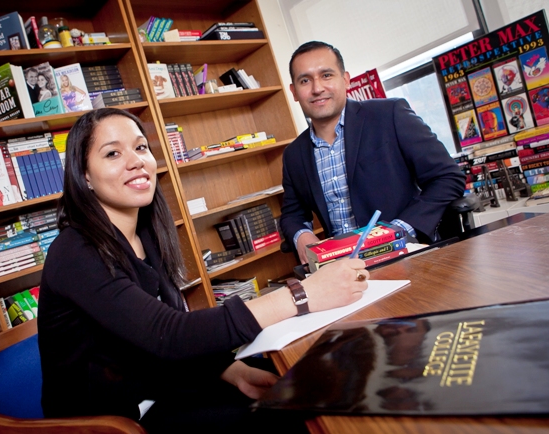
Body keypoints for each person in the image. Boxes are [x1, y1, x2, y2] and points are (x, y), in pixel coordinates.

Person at [37, 108, 370, 433]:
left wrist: (232, 370)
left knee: (301, 380)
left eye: (141, 147)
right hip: (111, 422)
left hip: (159, 386)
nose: (136, 160)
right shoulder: (75, 250)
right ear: (84, 175)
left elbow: (160, 331)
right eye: (113, 153)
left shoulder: (145, 233)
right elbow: (169, 334)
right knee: (291, 418)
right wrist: (302, 294)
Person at [280, 41, 466, 264]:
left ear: (345, 79)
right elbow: (292, 214)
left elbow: (447, 177)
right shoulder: (294, 155)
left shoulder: (390, 115)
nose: (317, 88)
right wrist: (301, 235)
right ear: (294, 92)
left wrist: (399, 231)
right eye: (305, 80)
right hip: (342, 269)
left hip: (405, 255)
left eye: (326, 75)